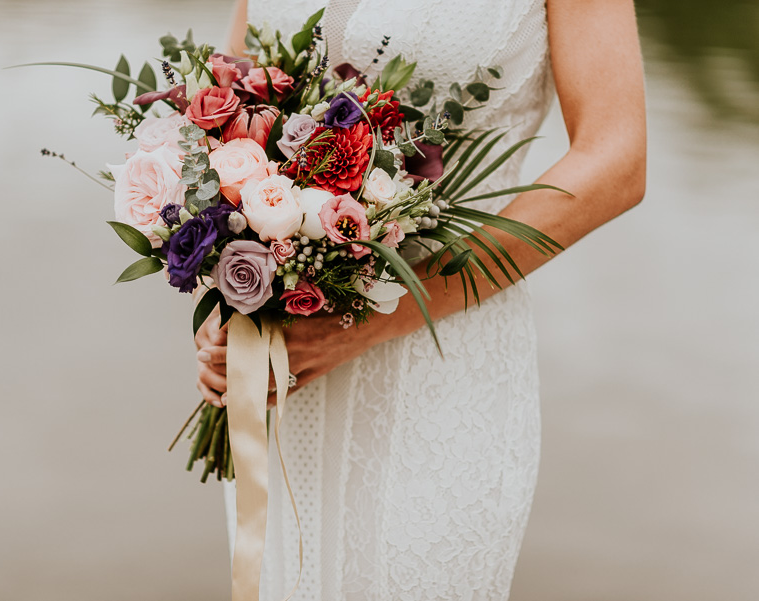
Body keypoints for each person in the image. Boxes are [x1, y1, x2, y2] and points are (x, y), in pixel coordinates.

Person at [195, 0, 646, 598]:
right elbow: (237, 92)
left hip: (439, 363)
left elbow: (616, 160)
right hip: (283, 360)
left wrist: (374, 322)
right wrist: (227, 282)